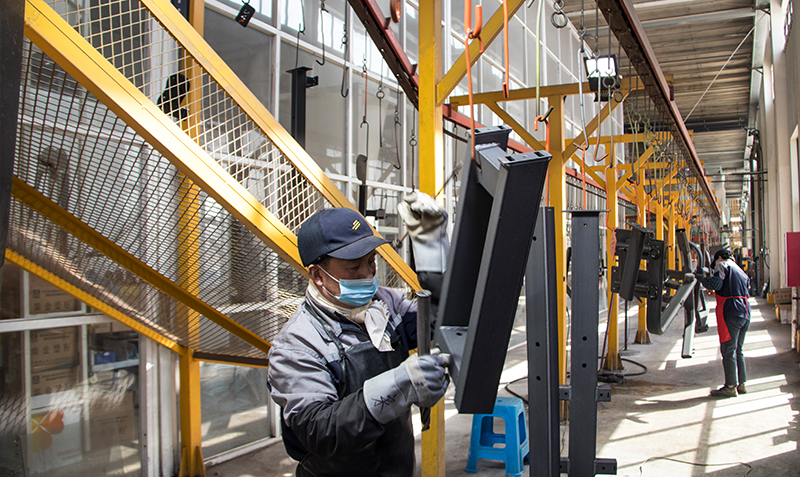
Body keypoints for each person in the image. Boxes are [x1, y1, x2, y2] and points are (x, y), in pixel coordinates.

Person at [267, 207, 450, 477]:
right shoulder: (298, 344)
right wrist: (397, 387)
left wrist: (433, 252)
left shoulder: (385, 305)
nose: (368, 275)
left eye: (371, 262)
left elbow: (436, 321)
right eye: (354, 267)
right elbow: (320, 430)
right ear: (317, 276)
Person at [700, 248, 751, 398]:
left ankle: (730, 387)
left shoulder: (722, 265)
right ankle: (741, 384)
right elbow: (732, 289)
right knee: (738, 350)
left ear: (720, 257)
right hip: (745, 311)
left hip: (731, 311)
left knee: (728, 350)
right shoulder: (740, 270)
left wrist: (701, 279)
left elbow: (716, 284)